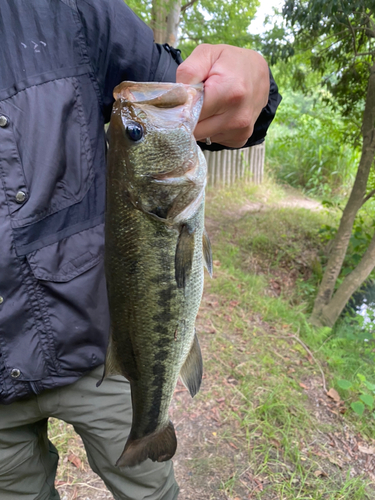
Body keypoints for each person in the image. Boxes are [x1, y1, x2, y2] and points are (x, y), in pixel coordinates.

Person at [0, 0, 281, 499]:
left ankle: (148, 427)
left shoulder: (68, 10)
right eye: (130, 129)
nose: (134, 115)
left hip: (99, 345)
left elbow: (193, 100)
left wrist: (248, 83)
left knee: (149, 491)